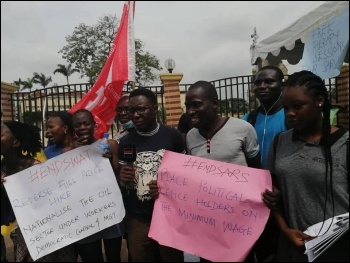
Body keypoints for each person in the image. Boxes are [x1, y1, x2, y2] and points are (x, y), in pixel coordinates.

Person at [184, 80, 280, 262]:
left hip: (240, 221)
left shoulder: (243, 129)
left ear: (214, 102)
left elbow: (255, 171)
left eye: (196, 105)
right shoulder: (190, 136)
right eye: (187, 106)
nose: (190, 111)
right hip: (207, 221)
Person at [267, 70, 349, 262]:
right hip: (294, 248)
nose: (290, 114)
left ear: (319, 101)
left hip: (340, 249)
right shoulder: (280, 141)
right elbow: (271, 193)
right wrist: (284, 229)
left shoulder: (344, 143)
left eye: (297, 106)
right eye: (285, 108)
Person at [118, 88, 185, 262]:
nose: (136, 115)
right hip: (138, 218)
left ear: (155, 108)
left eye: (141, 109)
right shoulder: (125, 141)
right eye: (132, 110)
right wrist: (123, 180)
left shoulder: (173, 136)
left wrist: (167, 186)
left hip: (168, 216)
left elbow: (185, 176)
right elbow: (123, 184)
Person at [1, 121, 76, 262]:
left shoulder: (35, 169)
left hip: (51, 231)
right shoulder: (3, 169)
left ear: (15, 142)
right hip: (24, 232)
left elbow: (55, 202)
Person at [241, 65, 288, 262]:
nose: (262, 86)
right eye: (258, 82)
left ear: (281, 85)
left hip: (284, 195)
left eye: (269, 81)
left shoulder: (290, 116)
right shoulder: (248, 119)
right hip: (255, 196)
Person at [71, 109, 125, 262]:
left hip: (109, 210)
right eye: (78, 125)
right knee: (91, 258)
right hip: (85, 214)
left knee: (114, 256)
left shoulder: (109, 145)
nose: (82, 128)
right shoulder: (68, 153)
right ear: (73, 128)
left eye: (86, 123)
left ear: (94, 125)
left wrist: (106, 162)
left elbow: (117, 175)